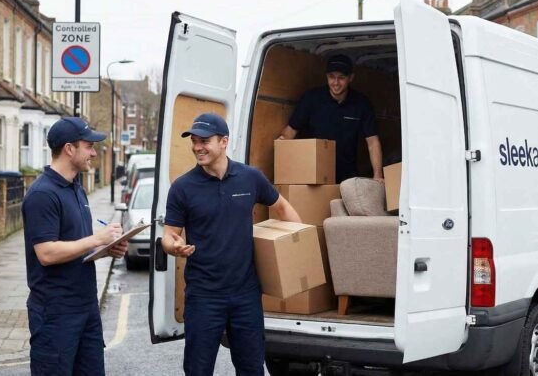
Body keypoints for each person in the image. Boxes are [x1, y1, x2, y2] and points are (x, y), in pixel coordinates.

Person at [162, 112, 301, 376]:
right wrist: (173, 246)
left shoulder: (250, 177)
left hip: (245, 294)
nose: (197, 147)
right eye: (194, 141)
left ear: (224, 141)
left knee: (251, 369)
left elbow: (281, 206)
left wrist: (299, 245)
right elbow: (169, 235)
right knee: (198, 370)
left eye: (204, 141)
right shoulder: (182, 188)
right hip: (203, 296)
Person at [21, 117, 128, 375]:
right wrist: (97, 239)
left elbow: (74, 245)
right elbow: (46, 253)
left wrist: (104, 250)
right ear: (69, 149)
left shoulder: (77, 190)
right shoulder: (42, 194)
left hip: (86, 307)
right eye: (88, 146)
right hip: (55, 313)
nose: (94, 152)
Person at [279, 53, 384, 183]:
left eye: (341, 78)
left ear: (351, 77)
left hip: (347, 178)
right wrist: (281, 157)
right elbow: (290, 131)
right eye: (331, 77)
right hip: (314, 176)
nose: (335, 83)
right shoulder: (311, 99)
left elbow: (373, 142)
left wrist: (377, 175)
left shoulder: (361, 103)